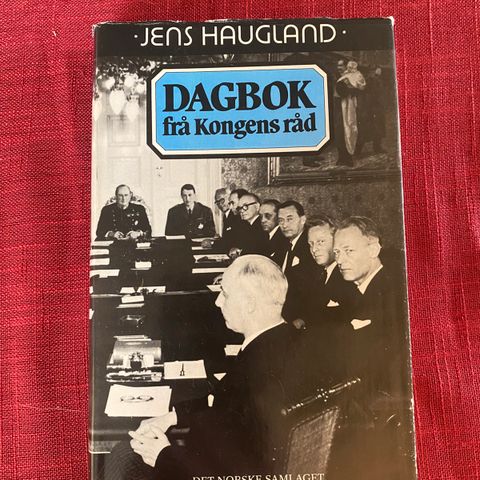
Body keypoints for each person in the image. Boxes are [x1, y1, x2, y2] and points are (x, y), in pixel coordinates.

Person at [105, 256, 314, 480]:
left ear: (250, 304)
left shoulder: (259, 371)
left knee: (122, 456)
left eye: (225, 293)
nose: (217, 302)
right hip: (218, 458)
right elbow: (224, 402)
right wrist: (173, 416)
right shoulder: (281, 342)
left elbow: (238, 469)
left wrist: (163, 454)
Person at [330, 217, 412, 479]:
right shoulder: (359, 287)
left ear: (373, 249)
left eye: (348, 250)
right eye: (337, 252)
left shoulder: (391, 292)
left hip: (381, 408)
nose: (340, 259)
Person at [273, 200, 316, 325]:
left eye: (289, 219)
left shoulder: (310, 245)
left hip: (300, 316)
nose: (284, 225)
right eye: (281, 220)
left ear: (302, 220)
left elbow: (313, 289)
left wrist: (303, 318)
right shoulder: (284, 243)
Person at [229, 193, 269, 257]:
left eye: (245, 206)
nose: (242, 211)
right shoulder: (245, 226)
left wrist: (239, 252)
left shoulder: (262, 225)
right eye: (239, 208)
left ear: (257, 206)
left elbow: (255, 251)